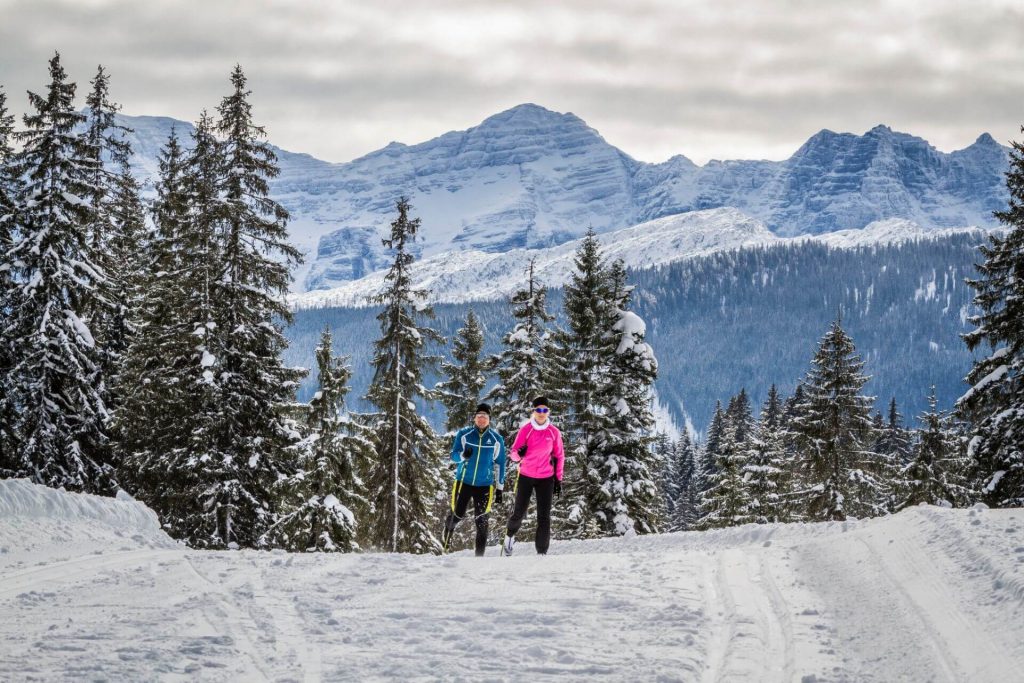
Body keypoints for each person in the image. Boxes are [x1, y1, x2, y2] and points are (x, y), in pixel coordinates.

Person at [502, 396, 565, 556]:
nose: (542, 413)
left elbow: (559, 456)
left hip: (546, 478)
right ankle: (509, 537)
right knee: (519, 512)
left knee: (544, 516)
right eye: (538, 410)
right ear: (534, 412)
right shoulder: (526, 430)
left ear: (548, 412)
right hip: (526, 476)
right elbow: (514, 454)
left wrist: (558, 480)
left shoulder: (554, 432)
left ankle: (542, 553)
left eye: (545, 410)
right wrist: (519, 454)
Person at [442, 403, 507, 556]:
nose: (482, 419)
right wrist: (462, 456)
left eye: (485, 417)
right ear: (474, 418)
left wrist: (500, 489)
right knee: (457, 515)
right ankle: (447, 532)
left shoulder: (496, 439)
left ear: (489, 419)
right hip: (463, 482)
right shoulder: (464, 435)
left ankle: (479, 558)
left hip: (484, 486)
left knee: (482, 522)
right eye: (479, 416)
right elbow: (453, 455)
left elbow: (500, 463)